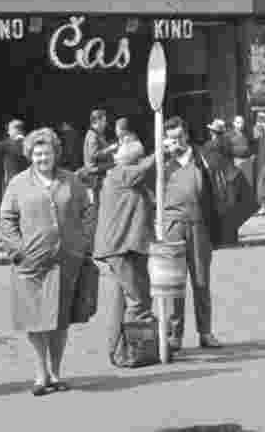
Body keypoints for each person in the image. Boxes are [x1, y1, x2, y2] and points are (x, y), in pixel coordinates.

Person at [0, 128, 96, 396]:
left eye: (48, 152)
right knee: (36, 321)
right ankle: (40, 373)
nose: (43, 158)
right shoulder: (18, 183)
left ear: (56, 153)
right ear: (30, 155)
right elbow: (6, 220)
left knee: (60, 321)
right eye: (37, 153)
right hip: (32, 265)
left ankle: (56, 372)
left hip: (66, 263)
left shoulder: (71, 181)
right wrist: (18, 252)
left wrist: (83, 243)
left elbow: (88, 211)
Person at [159, 116, 222, 353]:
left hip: (199, 224)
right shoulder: (163, 161)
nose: (175, 142)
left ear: (186, 135)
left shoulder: (200, 157)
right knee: (174, 283)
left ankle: (205, 332)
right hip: (173, 225)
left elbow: (219, 176)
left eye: (179, 137)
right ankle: (174, 335)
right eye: (171, 138)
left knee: (201, 280)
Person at [94, 139, 156, 366]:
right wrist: (159, 150)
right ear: (133, 162)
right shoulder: (121, 175)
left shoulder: (125, 178)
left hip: (126, 246)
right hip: (121, 247)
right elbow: (144, 169)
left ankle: (118, 351)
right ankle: (135, 352)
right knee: (137, 301)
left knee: (123, 301)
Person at [84, 109, 115, 203]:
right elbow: (93, 155)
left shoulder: (97, 134)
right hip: (96, 174)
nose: (105, 124)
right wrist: (110, 149)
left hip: (99, 172)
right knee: (98, 203)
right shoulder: (93, 136)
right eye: (104, 121)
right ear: (97, 121)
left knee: (100, 202)